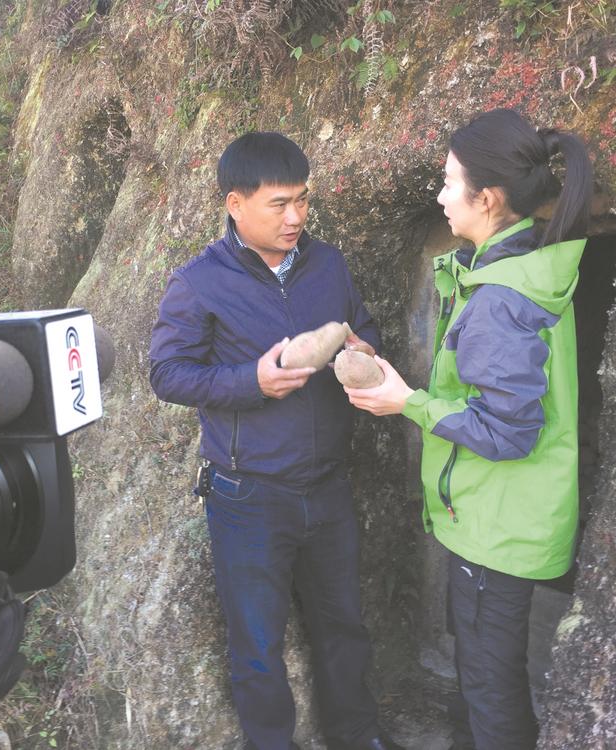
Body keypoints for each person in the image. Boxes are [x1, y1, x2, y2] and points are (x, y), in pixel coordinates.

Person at [345, 108, 593, 750]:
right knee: (489, 673)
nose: (439, 195)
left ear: (486, 198)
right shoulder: (524, 268)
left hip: (497, 530)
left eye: (448, 182)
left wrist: (409, 403)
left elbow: (508, 432)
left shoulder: (499, 299)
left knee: (489, 685)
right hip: (503, 518)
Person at [149, 132, 401, 750]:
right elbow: (167, 373)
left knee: (344, 626)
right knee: (258, 646)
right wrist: (252, 381)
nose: (295, 218)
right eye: (279, 204)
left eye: (304, 202)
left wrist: (360, 350)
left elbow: (360, 326)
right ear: (235, 203)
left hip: (327, 483)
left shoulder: (328, 263)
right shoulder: (199, 282)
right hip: (247, 493)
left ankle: (357, 737)